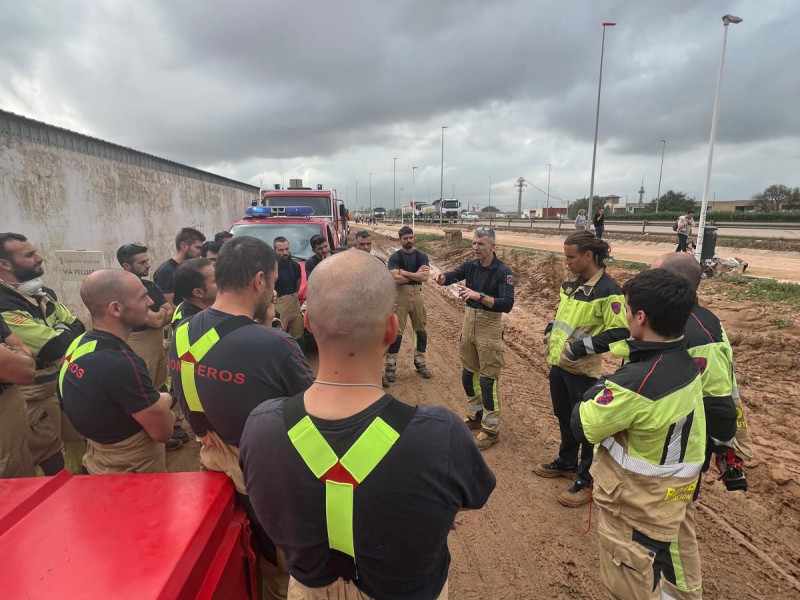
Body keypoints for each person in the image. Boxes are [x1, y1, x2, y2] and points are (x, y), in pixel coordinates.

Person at [240, 249, 496, 600]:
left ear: (309, 323)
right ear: (392, 329)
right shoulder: (441, 434)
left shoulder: (261, 426)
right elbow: (470, 499)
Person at [169, 236, 314, 600]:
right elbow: (314, 413)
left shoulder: (183, 330)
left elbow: (185, 388)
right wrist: (269, 329)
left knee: (239, 554)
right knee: (279, 569)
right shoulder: (274, 345)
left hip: (216, 459)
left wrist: (203, 429)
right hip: (268, 475)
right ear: (260, 281)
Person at [571, 269, 706, 600]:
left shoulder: (639, 384)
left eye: (628, 310)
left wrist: (601, 388)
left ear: (641, 317)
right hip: (673, 496)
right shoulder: (685, 362)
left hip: (637, 508)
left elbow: (582, 424)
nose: (626, 315)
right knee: (668, 575)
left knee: (630, 584)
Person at [650, 252, 750, 600]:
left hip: (681, 446)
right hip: (666, 440)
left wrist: (721, 444)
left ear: (670, 284)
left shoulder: (698, 331)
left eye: (651, 274)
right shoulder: (683, 320)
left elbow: (720, 404)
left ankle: (680, 593)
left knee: (674, 520)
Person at [535, 231, 629, 507]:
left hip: (583, 371)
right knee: (564, 416)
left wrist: (579, 348)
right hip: (559, 365)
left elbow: (618, 331)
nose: (566, 262)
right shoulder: (573, 284)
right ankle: (566, 461)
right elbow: (565, 315)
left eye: (571, 257)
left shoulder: (608, 291)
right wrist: (552, 327)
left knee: (586, 426)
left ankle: (586, 480)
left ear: (588, 256)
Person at [58, 270, 176, 474]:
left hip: (98, 456)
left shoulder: (79, 344)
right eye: (142, 297)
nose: (150, 302)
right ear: (116, 308)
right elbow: (163, 432)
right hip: (133, 467)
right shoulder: (121, 363)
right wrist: (164, 401)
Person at [0, 232, 86, 475]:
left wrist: (62, 332)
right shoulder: (4, 304)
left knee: (75, 439)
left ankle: (77, 485)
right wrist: (62, 329)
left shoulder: (42, 292)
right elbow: (53, 348)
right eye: (29, 255)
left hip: (59, 383)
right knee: (45, 454)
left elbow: (79, 326)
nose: (40, 257)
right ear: (4, 264)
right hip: (33, 396)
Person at [434, 227, 514, 450]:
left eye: (481, 244)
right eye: (474, 243)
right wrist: (442, 278)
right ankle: (475, 415)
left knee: (488, 380)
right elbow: (452, 276)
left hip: (490, 324)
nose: (476, 248)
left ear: (493, 247)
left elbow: (507, 303)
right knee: (469, 375)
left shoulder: (502, 272)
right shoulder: (471, 266)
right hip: (469, 322)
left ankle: (491, 429)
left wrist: (479, 296)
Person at [117, 244, 173, 390]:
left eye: (147, 261)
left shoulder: (150, 286)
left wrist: (159, 316)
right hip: (139, 344)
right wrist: (161, 314)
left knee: (160, 384)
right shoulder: (124, 290)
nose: (148, 265)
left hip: (157, 343)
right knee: (144, 387)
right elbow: (157, 321)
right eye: (142, 263)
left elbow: (170, 311)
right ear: (127, 266)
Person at [385, 226, 432, 383]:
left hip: (418, 295)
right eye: (405, 238)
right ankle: (390, 367)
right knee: (396, 333)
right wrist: (415, 275)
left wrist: (403, 273)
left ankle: (421, 363)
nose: (408, 240)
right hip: (400, 296)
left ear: (414, 238)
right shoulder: (395, 257)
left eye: (411, 237)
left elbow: (425, 278)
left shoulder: (421, 256)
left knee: (421, 331)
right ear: (400, 240)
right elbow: (393, 278)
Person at [0, 318, 36, 478]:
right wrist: (12, 353)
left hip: (11, 404)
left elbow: (25, 352)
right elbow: (24, 370)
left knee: (22, 464)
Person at [153, 227, 206, 306]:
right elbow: (168, 306)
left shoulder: (193, 268)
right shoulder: (166, 271)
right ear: (183, 246)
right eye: (197, 248)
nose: (200, 252)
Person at [273, 237, 305, 350]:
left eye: (287, 249)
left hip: (294, 302)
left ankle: (300, 360)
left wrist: (293, 298)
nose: (285, 253)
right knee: (278, 337)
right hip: (278, 305)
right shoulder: (270, 268)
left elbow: (298, 284)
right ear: (274, 251)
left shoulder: (295, 266)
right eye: (280, 250)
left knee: (299, 335)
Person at [170, 258, 218, 325]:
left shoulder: (185, 305)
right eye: (215, 281)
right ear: (198, 292)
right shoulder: (195, 327)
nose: (223, 282)